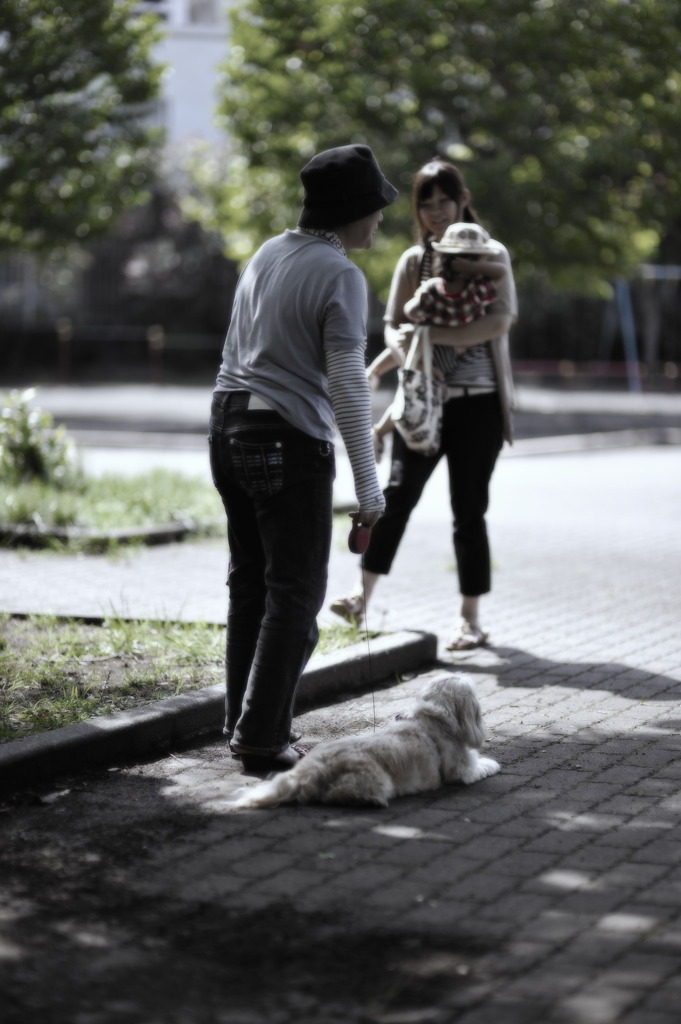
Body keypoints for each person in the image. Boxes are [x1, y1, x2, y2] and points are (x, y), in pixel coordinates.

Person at [209, 144, 397, 773]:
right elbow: (347, 382)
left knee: (250, 587)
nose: (380, 221)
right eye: (376, 209)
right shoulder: (341, 273)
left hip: (227, 427)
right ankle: (263, 737)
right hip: (287, 440)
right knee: (295, 594)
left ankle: (243, 721)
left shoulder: (267, 252)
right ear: (354, 211)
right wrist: (370, 492)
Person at [330, 158, 517, 651]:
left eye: (445, 201)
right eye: (426, 203)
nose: (436, 212)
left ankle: (469, 619)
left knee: (468, 510)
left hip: (478, 404)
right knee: (396, 496)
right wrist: (409, 346)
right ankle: (358, 598)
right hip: (421, 401)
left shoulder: (491, 254)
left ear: (462, 201)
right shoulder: (415, 261)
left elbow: (499, 321)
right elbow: (393, 325)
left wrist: (431, 337)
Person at [367, 221, 507, 461]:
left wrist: (426, 315)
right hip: (454, 348)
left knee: (411, 393)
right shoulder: (478, 288)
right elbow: (501, 272)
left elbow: (410, 311)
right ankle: (378, 410)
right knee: (413, 391)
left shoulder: (434, 288)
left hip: (434, 344)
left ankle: (378, 410)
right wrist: (474, 267)